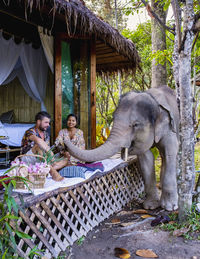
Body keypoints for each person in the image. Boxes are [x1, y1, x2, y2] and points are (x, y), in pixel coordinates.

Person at [21, 111, 63, 181]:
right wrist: (51, 153)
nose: (48, 125)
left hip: (41, 160)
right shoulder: (30, 132)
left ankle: (44, 168)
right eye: (46, 122)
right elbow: (38, 141)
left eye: (49, 123)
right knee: (39, 146)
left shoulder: (46, 134)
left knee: (65, 158)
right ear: (38, 122)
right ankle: (54, 173)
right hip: (27, 160)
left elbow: (47, 151)